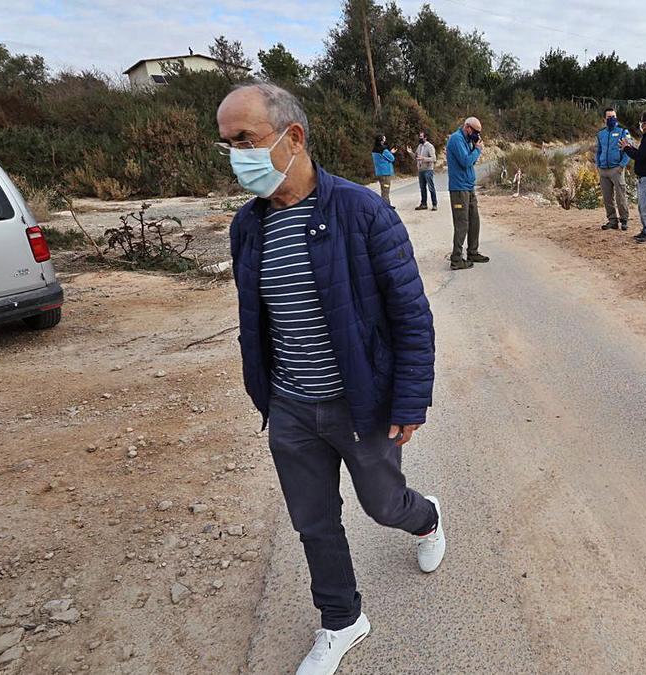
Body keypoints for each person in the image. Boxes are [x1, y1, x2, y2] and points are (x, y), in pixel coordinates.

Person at [217, 83, 446, 675]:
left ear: (293, 137)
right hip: (290, 408)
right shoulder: (249, 227)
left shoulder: (361, 211)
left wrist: (409, 401)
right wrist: (263, 391)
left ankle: (427, 518)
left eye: (246, 140)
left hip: (360, 403)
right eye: (227, 144)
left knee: (383, 505)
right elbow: (257, 321)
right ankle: (342, 620)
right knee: (313, 522)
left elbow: (410, 313)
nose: (236, 155)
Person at [446, 117, 490, 270]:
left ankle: (472, 252)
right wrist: (477, 149)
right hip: (459, 189)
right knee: (462, 224)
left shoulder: (466, 140)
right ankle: (456, 258)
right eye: (476, 132)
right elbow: (465, 162)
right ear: (468, 128)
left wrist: (474, 148)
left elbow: (470, 161)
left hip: (469, 187)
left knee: (474, 221)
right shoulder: (456, 140)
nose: (478, 135)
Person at [620, 110, 646, 243]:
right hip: (645, 178)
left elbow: (639, 156)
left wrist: (627, 148)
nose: (640, 125)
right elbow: (642, 153)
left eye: (642, 122)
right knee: (643, 207)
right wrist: (630, 147)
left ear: (645, 124)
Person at [596, 107, 630, 231]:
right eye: (609, 117)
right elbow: (598, 150)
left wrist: (622, 165)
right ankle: (612, 220)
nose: (612, 119)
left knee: (621, 196)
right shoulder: (601, 134)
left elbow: (628, 150)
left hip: (617, 169)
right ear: (604, 119)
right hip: (603, 169)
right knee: (607, 197)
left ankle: (624, 220)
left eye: (614, 116)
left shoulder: (622, 131)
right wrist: (598, 165)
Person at [415, 130, 438, 211]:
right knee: (422, 188)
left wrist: (423, 158)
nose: (419, 138)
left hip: (428, 170)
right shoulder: (419, 146)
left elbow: (434, 158)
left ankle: (434, 204)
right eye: (419, 136)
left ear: (425, 137)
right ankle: (423, 204)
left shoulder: (430, 147)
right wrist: (410, 152)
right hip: (420, 170)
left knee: (431, 187)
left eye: (421, 136)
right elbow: (416, 157)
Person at [372, 134, 396, 206]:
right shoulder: (383, 150)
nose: (385, 141)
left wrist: (389, 152)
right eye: (384, 140)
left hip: (379, 172)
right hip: (385, 173)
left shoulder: (374, 149)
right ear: (381, 141)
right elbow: (392, 158)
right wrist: (390, 152)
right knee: (386, 191)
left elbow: (382, 158)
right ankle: (386, 207)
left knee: (383, 190)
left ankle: (388, 205)